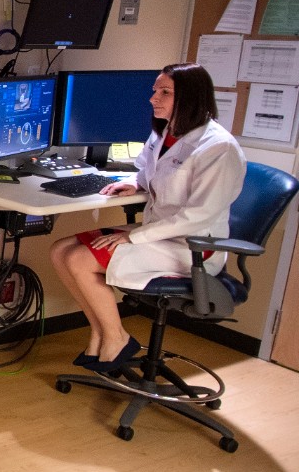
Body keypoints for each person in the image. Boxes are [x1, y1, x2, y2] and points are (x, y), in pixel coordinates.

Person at [48, 62, 245, 373]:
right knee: (60, 250)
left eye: (164, 92)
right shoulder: (168, 131)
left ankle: (118, 338)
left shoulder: (218, 148)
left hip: (192, 246)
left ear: (191, 97)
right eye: (155, 90)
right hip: (160, 233)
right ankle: (101, 332)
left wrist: (133, 236)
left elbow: (198, 215)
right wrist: (137, 183)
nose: (154, 98)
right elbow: (150, 169)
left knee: (80, 260)